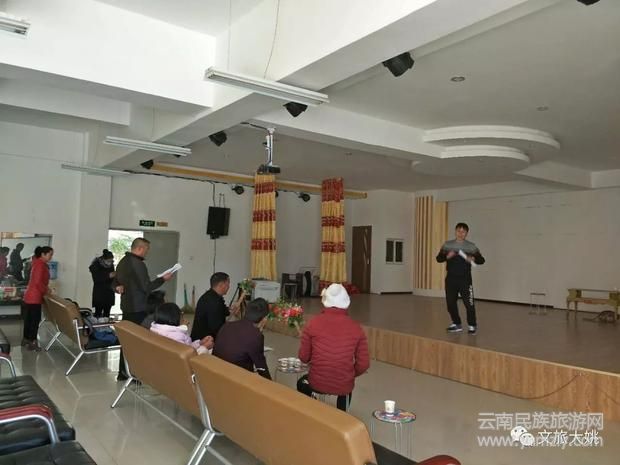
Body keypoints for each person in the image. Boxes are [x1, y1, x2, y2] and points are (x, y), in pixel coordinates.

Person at [296, 283, 369, 411]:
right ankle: (342, 415)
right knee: (345, 387)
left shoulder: (312, 323)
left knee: (301, 383)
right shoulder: (356, 328)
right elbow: (363, 365)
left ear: (325, 302)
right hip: (343, 384)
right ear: (346, 302)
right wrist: (349, 373)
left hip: (316, 382)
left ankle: (312, 410)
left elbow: (303, 357)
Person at [114, 238, 172, 380]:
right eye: (147, 249)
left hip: (127, 306)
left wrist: (116, 287)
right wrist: (163, 279)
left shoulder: (123, 261)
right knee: (136, 341)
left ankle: (123, 372)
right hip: (138, 308)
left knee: (127, 340)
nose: (147, 252)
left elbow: (115, 281)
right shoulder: (138, 264)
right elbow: (146, 287)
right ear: (140, 248)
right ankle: (133, 373)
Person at [436, 222, 485, 335]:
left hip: (465, 279)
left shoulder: (471, 246)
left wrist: (473, 259)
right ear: (455, 231)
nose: (460, 233)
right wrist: (447, 256)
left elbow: (481, 260)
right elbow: (439, 258)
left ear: (466, 233)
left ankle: (472, 325)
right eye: (459, 231)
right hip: (451, 279)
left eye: (463, 231)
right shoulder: (447, 245)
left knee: (469, 303)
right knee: (450, 303)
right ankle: (457, 324)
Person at [213, 298, 271, 379]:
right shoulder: (256, 335)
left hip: (215, 374)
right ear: (264, 318)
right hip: (236, 380)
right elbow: (261, 368)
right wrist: (271, 384)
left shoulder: (226, 326)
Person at [190, 272, 243, 341]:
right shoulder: (213, 301)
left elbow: (224, 311)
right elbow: (217, 328)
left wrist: (231, 309)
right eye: (228, 284)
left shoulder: (212, 295)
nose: (229, 287)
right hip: (204, 341)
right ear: (221, 285)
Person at [21, 246, 54, 351]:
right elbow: (38, 282)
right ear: (43, 254)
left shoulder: (37, 263)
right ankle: (32, 343)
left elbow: (38, 281)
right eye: (50, 254)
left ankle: (26, 339)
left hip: (30, 296)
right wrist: (47, 290)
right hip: (34, 297)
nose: (51, 257)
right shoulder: (40, 265)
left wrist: (46, 288)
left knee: (29, 320)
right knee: (34, 321)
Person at [89, 249, 115, 319]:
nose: (110, 263)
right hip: (99, 292)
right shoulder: (95, 265)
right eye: (109, 261)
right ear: (103, 259)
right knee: (98, 313)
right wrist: (108, 275)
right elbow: (96, 279)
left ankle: (106, 324)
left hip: (109, 292)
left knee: (107, 313)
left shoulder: (111, 265)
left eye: (111, 261)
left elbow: (113, 277)